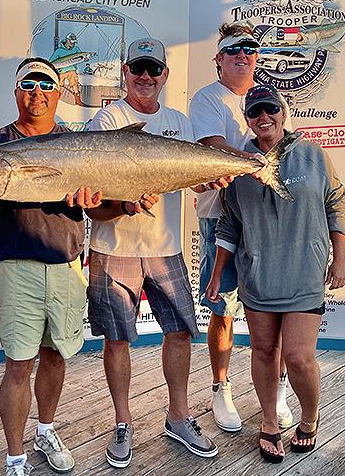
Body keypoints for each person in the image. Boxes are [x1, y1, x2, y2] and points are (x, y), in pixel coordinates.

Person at [86, 39, 219, 469]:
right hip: (114, 247)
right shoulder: (107, 120)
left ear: (164, 74)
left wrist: (207, 180)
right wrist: (124, 203)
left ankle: (178, 416)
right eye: (138, 68)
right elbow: (91, 199)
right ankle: (123, 422)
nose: (145, 77)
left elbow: (193, 179)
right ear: (125, 71)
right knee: (117, 339)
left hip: (166, 248)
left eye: (153, 69)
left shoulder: (179, 122)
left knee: (180, 332)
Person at [0, 58, 103, 475]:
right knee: (18, 365)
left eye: (46, 83)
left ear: (58, 92)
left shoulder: (78, 141)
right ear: (16, 92)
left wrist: (102, 200)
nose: (37, 91)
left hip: (66, 263)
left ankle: (45, 430)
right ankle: (15, 458)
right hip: (14, 266)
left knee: (56, 356)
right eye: (29, 83)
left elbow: (105, 202)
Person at [205, 83, 345, 462]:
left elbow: (335, 204)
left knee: (299, 357)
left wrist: (341, 258)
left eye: (270, 108)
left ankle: (309, 417)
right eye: (255, 112)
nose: (263, 117)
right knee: (264, 351)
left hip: (304, 274)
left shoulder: (312, 155)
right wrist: (218, 274)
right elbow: (229, 225)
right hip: (258, 276)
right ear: (248, 120)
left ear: (283, 112)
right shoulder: (237, 163)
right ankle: (269, 422)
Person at [189, 23, 294, 432]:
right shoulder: (207, 99)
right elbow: (212, 147)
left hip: (268, 221)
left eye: (249, 47)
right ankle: (221, 389)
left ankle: (278, 389)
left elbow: (285, 148)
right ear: (219, 58)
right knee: (223, 308)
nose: (242, 54)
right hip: (220, 217)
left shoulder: (271, 98)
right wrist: (255, 165)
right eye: (232, 49)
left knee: (279, 309)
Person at [49, 33, 83, 105]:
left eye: (74, 42)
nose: (73, 44)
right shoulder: (59, 51)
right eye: (72, 42)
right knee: (59, 84)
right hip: (62, 71)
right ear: (67, 40)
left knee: (74, 83)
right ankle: (55, 99)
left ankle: (77, 100)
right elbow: (51, 61)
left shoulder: (76, 49)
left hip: (72, 70)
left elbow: (81, 57)